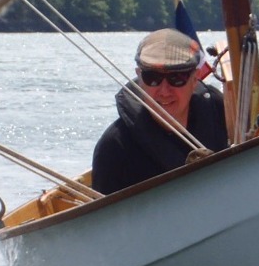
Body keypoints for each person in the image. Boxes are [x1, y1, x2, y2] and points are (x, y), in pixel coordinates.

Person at [92, 28, 227, 195]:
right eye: (152, 78)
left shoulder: (221, 115)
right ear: (139, 78)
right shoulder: (114, 147)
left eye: (177, 78)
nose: (164, 91)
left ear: (194, 80)